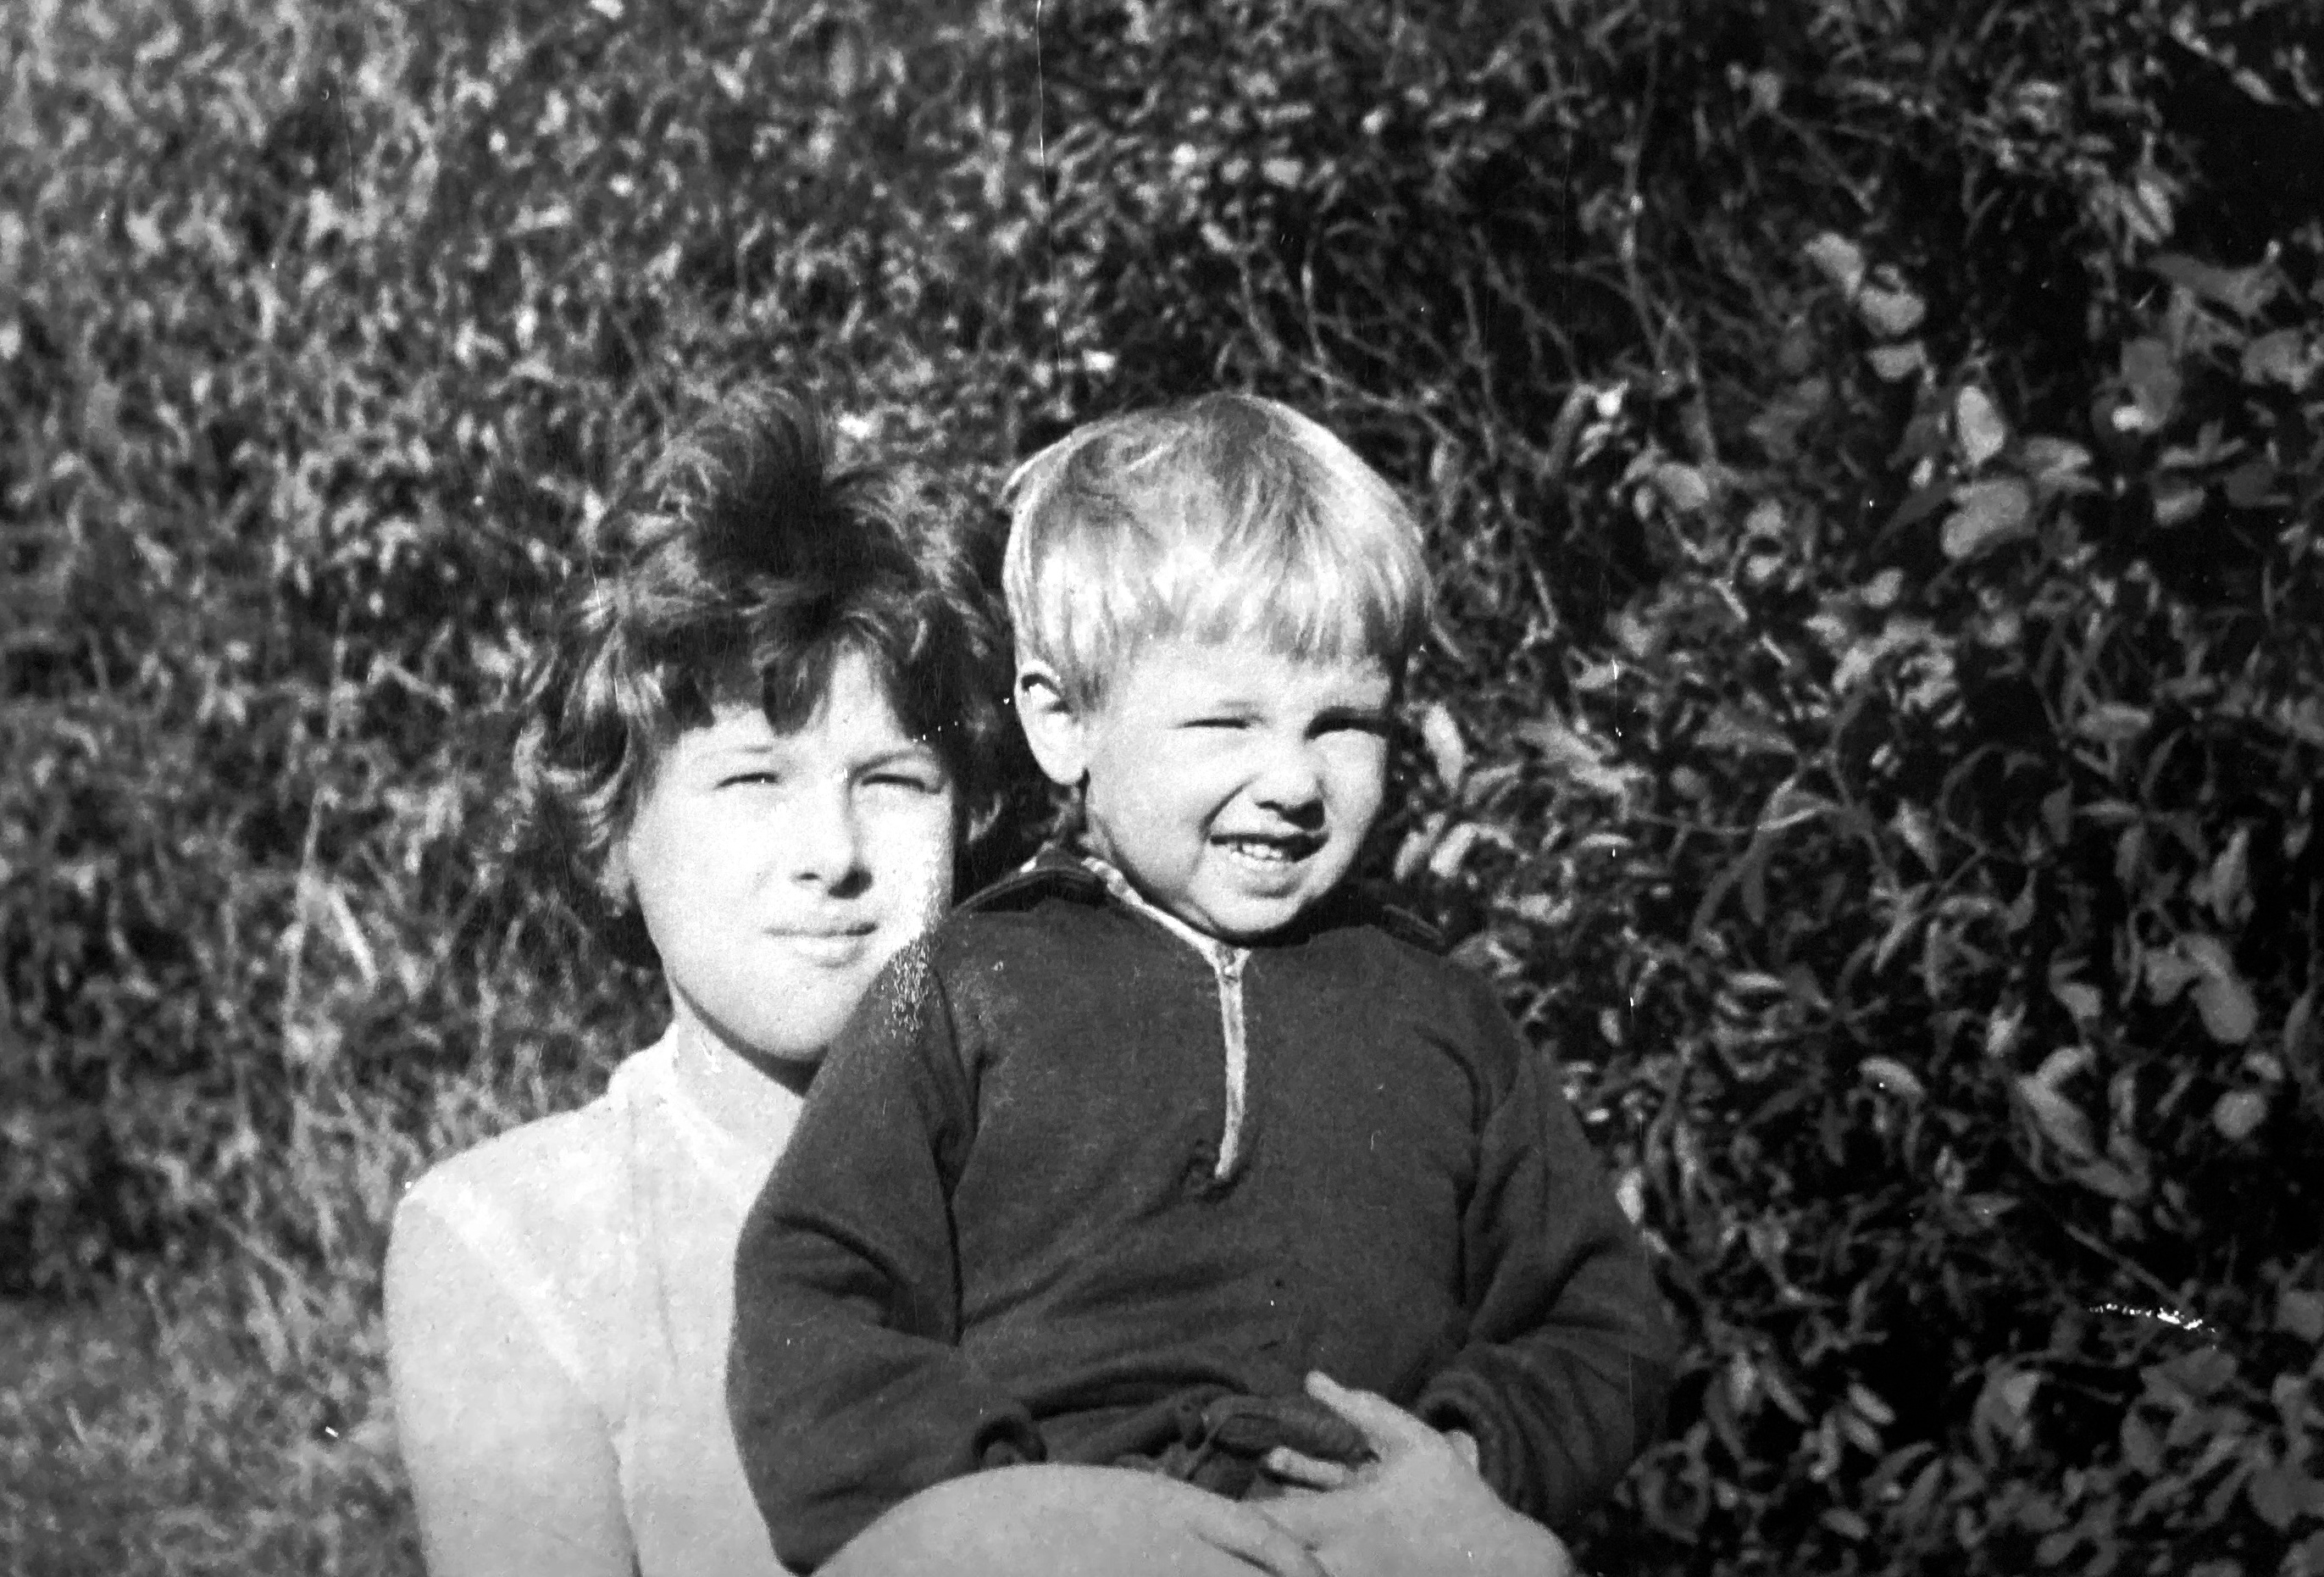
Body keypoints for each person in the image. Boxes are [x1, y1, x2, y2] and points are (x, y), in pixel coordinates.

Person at [385, 386, 1589, 1577]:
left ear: (971, 812)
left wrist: (1462, 1499)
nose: (833, 854)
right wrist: (955, 1543)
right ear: (611, 824)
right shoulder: (520, 1240)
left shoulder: (1135, 1125)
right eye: (752, 779)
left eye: (894, 781)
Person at [727, 392, 1678, 1574]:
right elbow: (816, 1303)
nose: (1293, 780)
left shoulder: (1440, 1012)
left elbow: (1602, 1318)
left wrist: (1468, 1459)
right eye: (1227, 721)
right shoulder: (961, 988)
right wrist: (993, 1514)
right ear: (1064, 722)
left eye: (1344, 723)